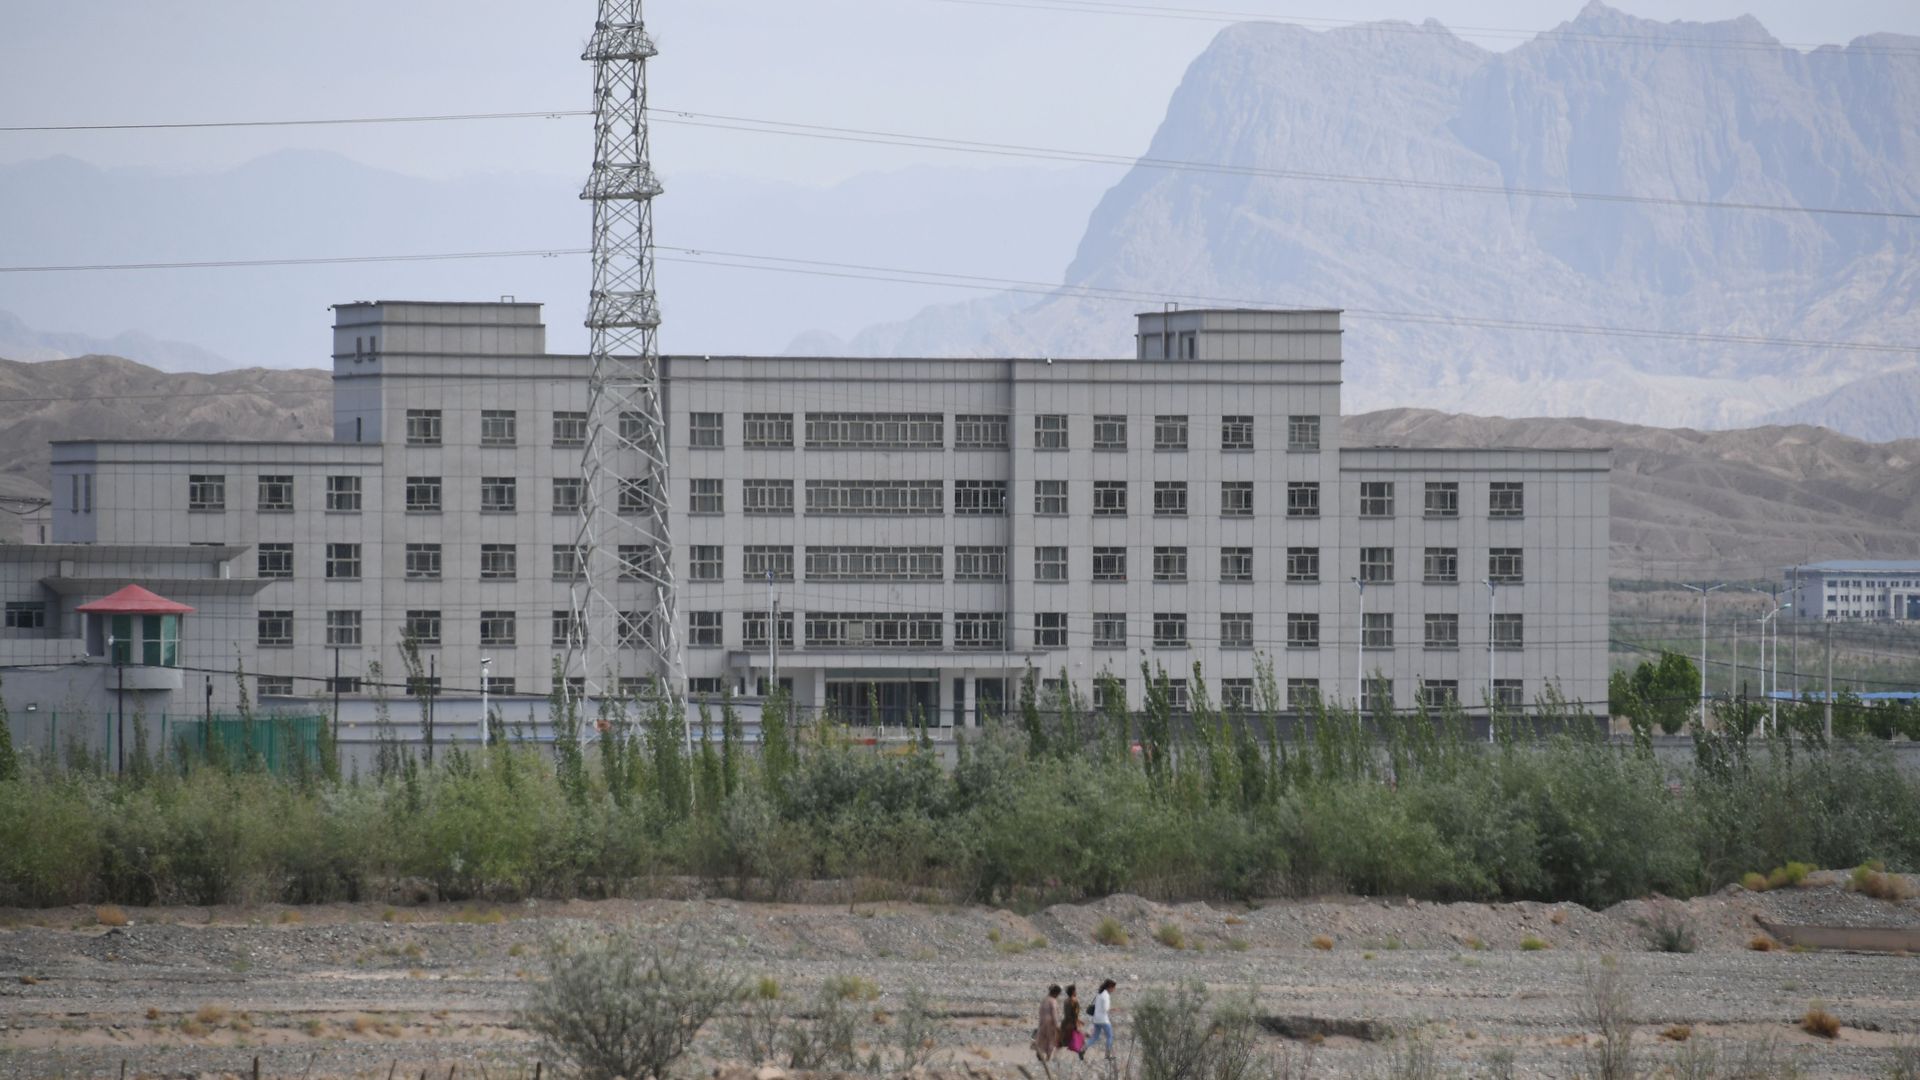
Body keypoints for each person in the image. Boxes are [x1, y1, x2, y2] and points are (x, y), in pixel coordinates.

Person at [1033, 984, 1061, 1064]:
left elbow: (1040, 1011)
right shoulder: (1053, 1001)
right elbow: (1054, 1014)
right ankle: (1049, 1057)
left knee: (1042, 1038)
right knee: (1051, 1039)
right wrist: (1057, 1026)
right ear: (1055, 993)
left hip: (1042, 1022)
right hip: (1050, 1023)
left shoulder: (1044, 1000)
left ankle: (1040, 1052)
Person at [1090, 979, 1116, 1057]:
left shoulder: (1099, 993)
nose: (1114, 989)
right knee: (1110, 1036)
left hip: (1096, 1019)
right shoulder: (1106, 995)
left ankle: (1083, 1049)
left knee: (1095, 1037)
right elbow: (1106, 1009)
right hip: (1103, 1020)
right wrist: (1114, 1009)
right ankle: (1108, 1054)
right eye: (1113, 987)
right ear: (1109, 987)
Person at [1060, 984, 1086, 1059]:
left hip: (1065, 1023)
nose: (1076, 992)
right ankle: (1080, 1052)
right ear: (1073, 992)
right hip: (1072, 1023)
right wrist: (1078, 1022)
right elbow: (1075, 1014)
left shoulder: (1066, 1001)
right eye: (1075, 990)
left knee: (1066, 1040)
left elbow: (1068, 1013)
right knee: (1079, 1039)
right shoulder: (1074, 1001)